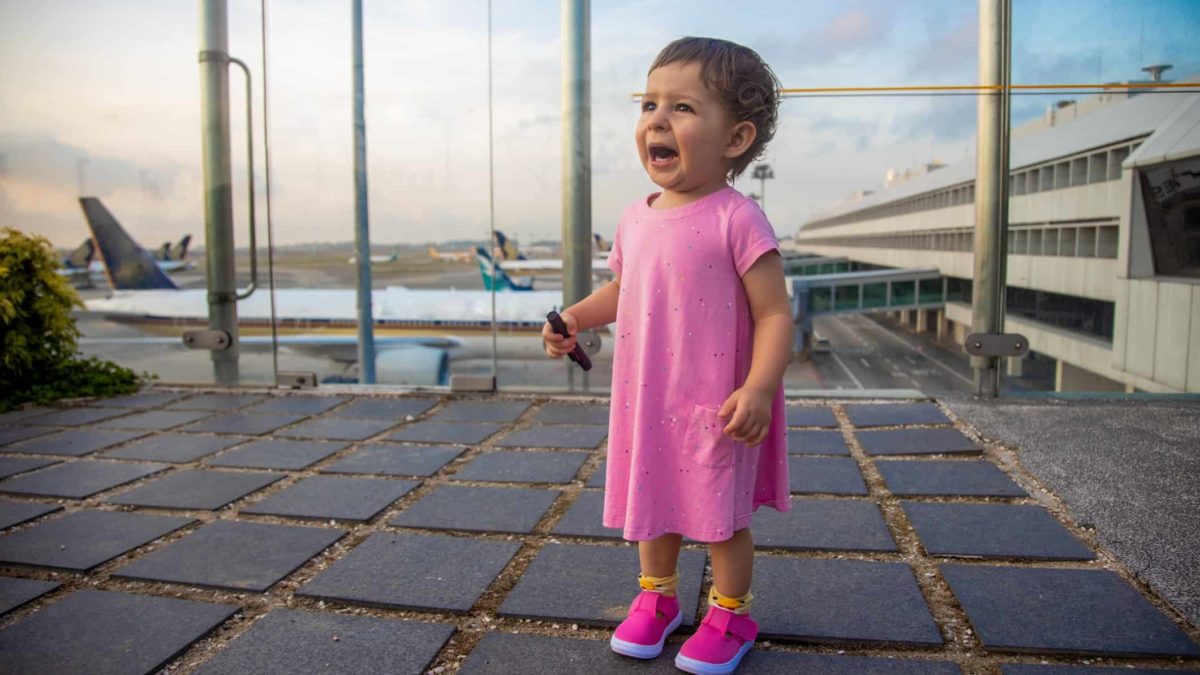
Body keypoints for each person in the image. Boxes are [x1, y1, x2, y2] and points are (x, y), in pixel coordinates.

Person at [542, 36, 792, 675]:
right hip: (649, 398)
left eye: (681, 107)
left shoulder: (738, 218)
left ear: (735, 140)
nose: (656, 119)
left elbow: (773, 313)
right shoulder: (635, 218)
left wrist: (759, 388)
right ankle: (657, 601)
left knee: (719, 518)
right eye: (648, 103)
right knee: (652, 505)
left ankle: (731, 613)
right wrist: (573, 315)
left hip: (715, 401)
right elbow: (623, 290)